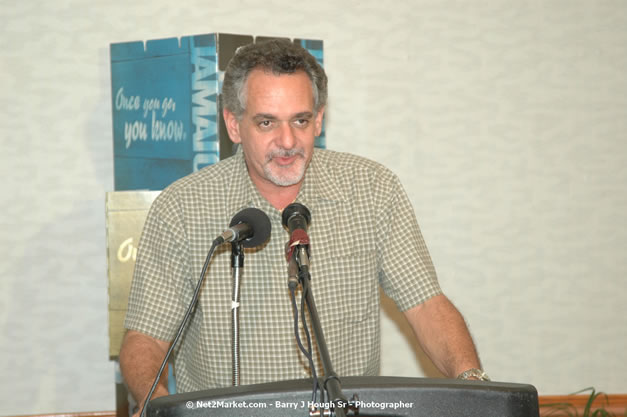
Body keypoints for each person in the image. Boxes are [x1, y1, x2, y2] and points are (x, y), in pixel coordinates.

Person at [119, 39, 487, 413]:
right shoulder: (182, 207)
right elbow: (145, 339)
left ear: (320, 119)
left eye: (301, 120)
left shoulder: (373, 190)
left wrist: (474, 388)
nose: (288, 142)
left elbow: (426, 306)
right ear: (233, 124)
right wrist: (159, 406)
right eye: (266, 122)